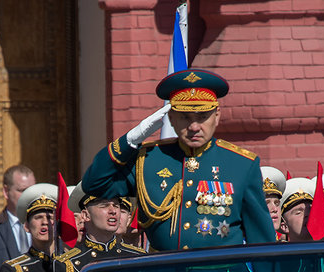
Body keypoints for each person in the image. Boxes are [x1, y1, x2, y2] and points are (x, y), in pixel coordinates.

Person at [81, 69, 275, 250]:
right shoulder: (147, 160)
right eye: (185, 117)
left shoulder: (241, 164)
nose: (194, 126)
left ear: (216, 116)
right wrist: (130, 140)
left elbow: (261, 238)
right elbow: (95, 184)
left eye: (203, 117)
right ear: (171, 118)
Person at [0, 164, 35, 272]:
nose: (29, 196)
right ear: (6, 192)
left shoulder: (46, 227)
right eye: (22, 190)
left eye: (32, 190)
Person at [261, 166, 287, 240]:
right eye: (266, 203)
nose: (275, 209)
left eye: (277, 203)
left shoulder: (285, 249)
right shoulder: (242, 248)